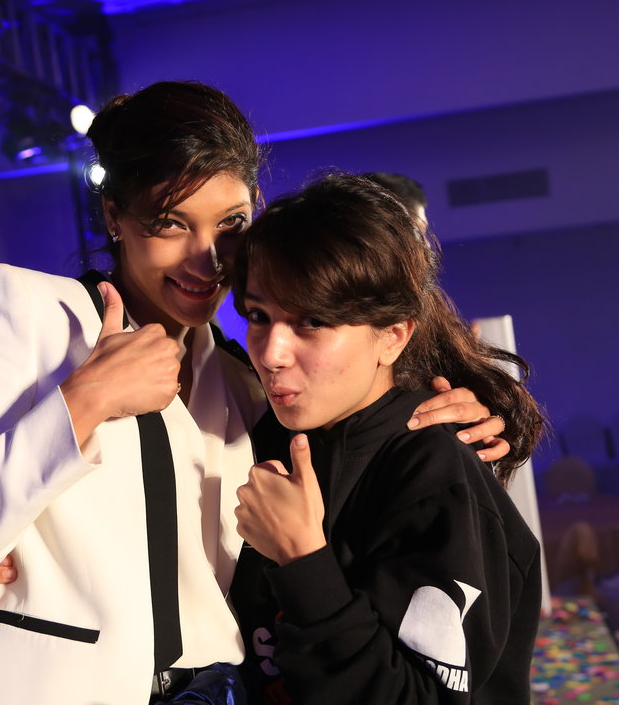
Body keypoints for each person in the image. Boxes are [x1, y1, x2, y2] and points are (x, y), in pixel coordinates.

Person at [0, 81, 508, 705]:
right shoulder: (28, 311)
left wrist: (476, 417)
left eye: (230, 224)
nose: (207, 261)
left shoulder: (246, 378)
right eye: (171, 224)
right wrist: (84, 400)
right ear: (113, 216)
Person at [230, 174, 544, 704]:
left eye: (312, 321)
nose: (271, 352)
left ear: (393, 335)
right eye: (259, 316)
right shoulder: (261, 431)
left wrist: (303, 561)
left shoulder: (432, 470)